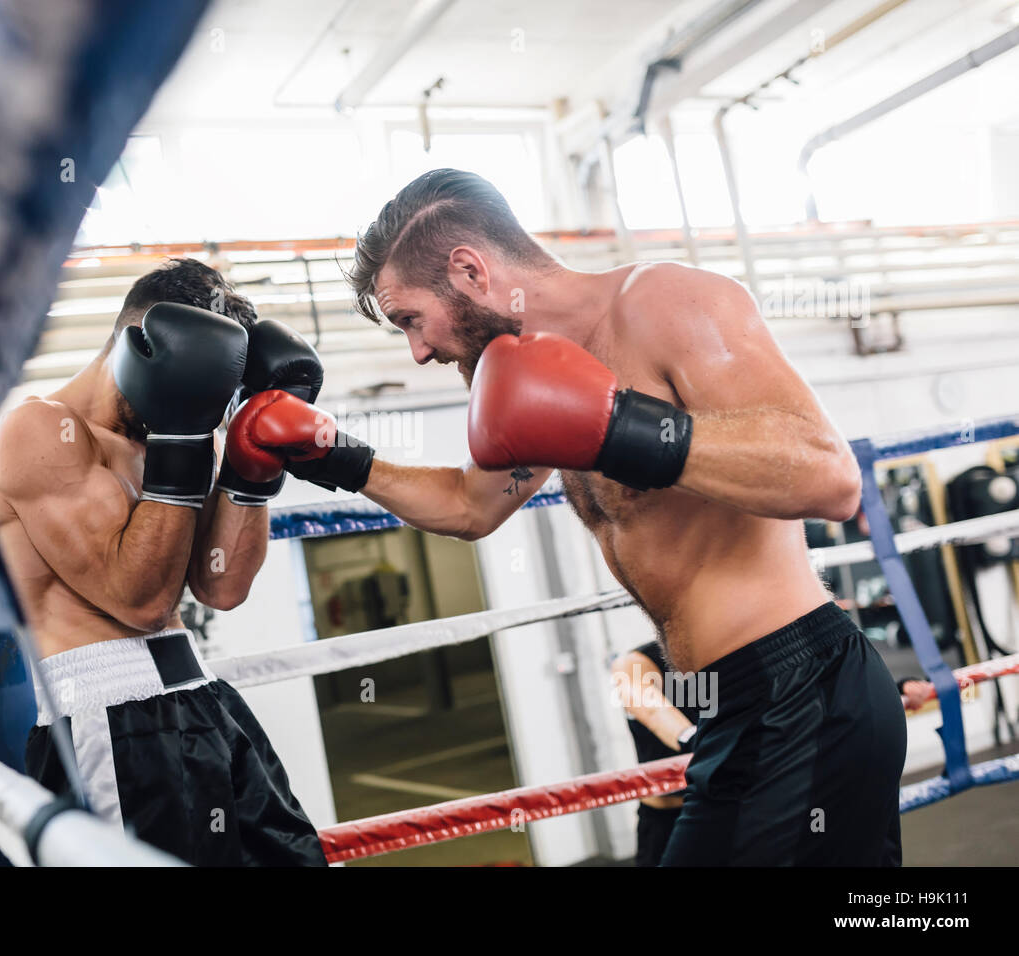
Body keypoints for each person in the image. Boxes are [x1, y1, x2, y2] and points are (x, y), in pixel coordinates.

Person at [226, 169, 907, 866]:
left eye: (410, 319)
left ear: (469, 270)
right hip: (737, 704)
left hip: (800, 691)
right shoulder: (523, 377)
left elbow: (829, 475)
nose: (419, 351)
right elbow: (469, 505)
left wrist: (620, 428)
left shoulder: (664, 303)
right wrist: (340, 458)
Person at [0, 258, 327, 866]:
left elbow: (222, 586)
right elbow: (141, 601)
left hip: (201, 697)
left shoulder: (179, 433)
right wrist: (184, 435)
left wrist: (253, 466)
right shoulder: (39, 431)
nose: (212, 410)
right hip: (111, 724)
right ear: (139, 344)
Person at [610, 643, 700, 866]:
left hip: (726, 808)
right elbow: (653, 711)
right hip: (667, 817)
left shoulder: (717, 655)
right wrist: (695, 740)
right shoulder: (633, 663)